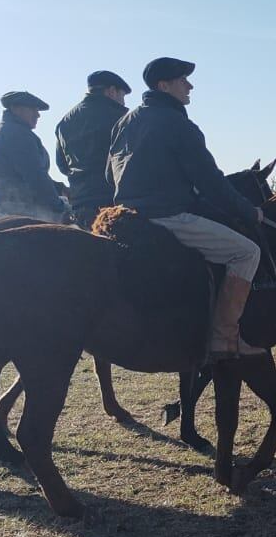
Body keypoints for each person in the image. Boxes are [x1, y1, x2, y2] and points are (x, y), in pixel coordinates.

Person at [107, 57, 264, 359]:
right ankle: (224, 338)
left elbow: (108, 175)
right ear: (164, 86)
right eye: (183, 80)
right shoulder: (178, 123)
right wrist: (248, 212)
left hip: (126, 217)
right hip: (166, 216)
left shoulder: (124, 122)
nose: (189, 86)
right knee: (247, 252)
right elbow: (210, 182)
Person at [56, 69, 132, 228]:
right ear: (111, 91)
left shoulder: (65, 122)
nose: (124, 102)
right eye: (122, 96)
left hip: (81, 205)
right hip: (114, 203)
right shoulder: (120, 118)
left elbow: (62, 165)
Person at [0, 91, 68, 223]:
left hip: (0, 203)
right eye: (33, 109)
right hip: (21, 209)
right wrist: (59, 206)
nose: (38, 115)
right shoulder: (19, 135)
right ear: (16, 108)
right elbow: (34, 176)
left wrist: (58, 188)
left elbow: (16, 173)